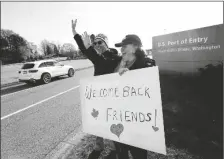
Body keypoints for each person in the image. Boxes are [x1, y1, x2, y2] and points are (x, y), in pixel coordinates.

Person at [80, 32, 155, 159]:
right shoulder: (117, 62)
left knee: (139, 154)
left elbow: (150, 93)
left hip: (136, 122)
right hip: (117, 120)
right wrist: (87, 47)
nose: (122, 49)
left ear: (136, 46)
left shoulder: (146, 64)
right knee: (121, 154)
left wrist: (131, 79)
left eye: (125, 46)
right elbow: (98, 60)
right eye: (121, 46)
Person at [72, 19, 121, 159]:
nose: (97, 45)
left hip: (112, 97)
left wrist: (90, 49)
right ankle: (99, 146)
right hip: (98, 97)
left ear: (106, 43)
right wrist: (75, 34)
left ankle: (113, 148)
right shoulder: (97, 57)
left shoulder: (116, 57)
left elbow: (104, 62)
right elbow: (85, 50)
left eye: (100, 42)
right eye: (95, 43)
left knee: (111, 121)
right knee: (97, 122)